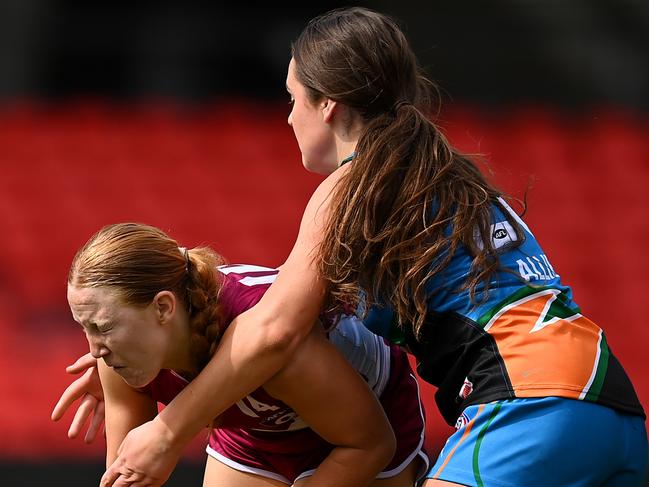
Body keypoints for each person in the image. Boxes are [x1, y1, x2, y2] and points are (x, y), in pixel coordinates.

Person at [53, 6, 648, 487]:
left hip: (528, 403)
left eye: (292, 98)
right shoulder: (439, 169)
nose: (288, 118)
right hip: (610, 406)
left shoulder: (355, 180)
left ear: (328, 104)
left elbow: (274, 329)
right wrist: (126, 347)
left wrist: (167, 430)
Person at [65, 222, 428, 486]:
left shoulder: (277, 346)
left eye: (104, 327)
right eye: (86, 328)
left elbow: (371, 444)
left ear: (163, 308)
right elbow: (126, 475)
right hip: (256, 436)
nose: (95, 350)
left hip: (367, 425)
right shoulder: (117, 358)